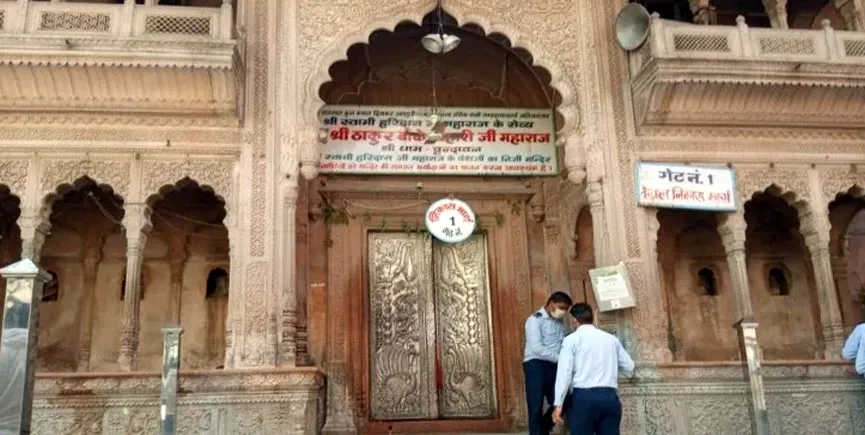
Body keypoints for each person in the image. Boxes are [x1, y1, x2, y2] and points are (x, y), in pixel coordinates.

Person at [552, 303, 635, 435]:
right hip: (609, 397)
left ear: (574, 320)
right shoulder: (611, 339)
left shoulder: (571, 340)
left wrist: (558, 404)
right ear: (592, 317)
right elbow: (629, 366)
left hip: (583, 399)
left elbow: (564, 373)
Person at [523, 291, 573, 435]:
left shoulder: (559, 322)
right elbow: (537, 348)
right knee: (535, 407)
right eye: (561, 307)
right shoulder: (534, 320)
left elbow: (561, 342)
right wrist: (561, 359)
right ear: (551, 304)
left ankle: (542, 430)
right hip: (536, 366)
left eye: (566, 309)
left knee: (563, 399)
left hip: (555, 366)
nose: (563, 312)